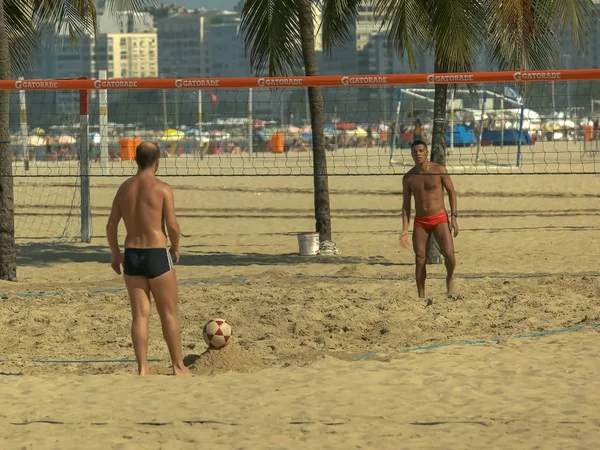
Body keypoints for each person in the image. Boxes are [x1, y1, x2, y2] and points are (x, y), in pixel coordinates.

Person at [106, 141, 191, 376]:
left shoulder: (124, 188)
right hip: (156, 254)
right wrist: (175, 247)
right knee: (169, 313)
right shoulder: (163, 188)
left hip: (132, 255)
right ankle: (178, 366)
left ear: (135, 159)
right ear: (158, 161)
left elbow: (111, 224)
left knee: (140, 315)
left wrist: (115, 253)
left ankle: (143, 368)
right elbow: (172, 225)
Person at [400, 140, 459, 299]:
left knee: (449, 255)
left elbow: (452, 192)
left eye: (420, 151)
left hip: (439, 217)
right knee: (420, 258)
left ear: (426, 152)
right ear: (411, 154)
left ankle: (449, 278)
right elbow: (406, 205)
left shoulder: (438, 170)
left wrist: (453, 217)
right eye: (415, 152)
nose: (418, 154)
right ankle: (421, 295)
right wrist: (405, 230)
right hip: (421, 221)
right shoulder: (409, 178)